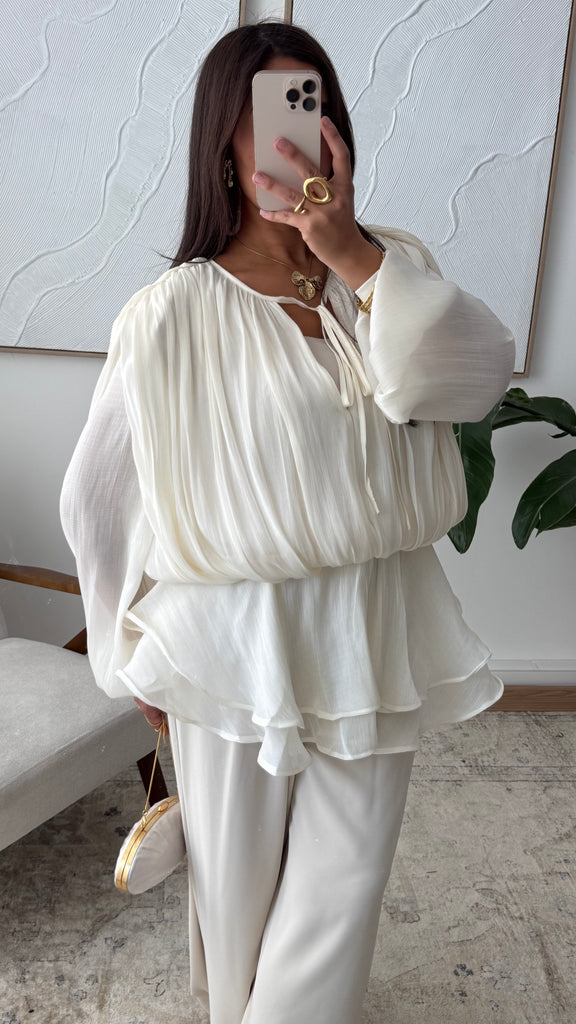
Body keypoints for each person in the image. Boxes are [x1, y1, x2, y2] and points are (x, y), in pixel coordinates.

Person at [59, 21, 516, 1024]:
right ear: (222, 142)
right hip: (230, 632)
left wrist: (350, 253)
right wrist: (128, 651)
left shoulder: (390, 270)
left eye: (313, 107)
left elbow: (469, 378)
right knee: (239, 890)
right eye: (268, 113)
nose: (294, 135)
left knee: (346, 878)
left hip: (377, 614)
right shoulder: (171, 312)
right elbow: (97, 498)